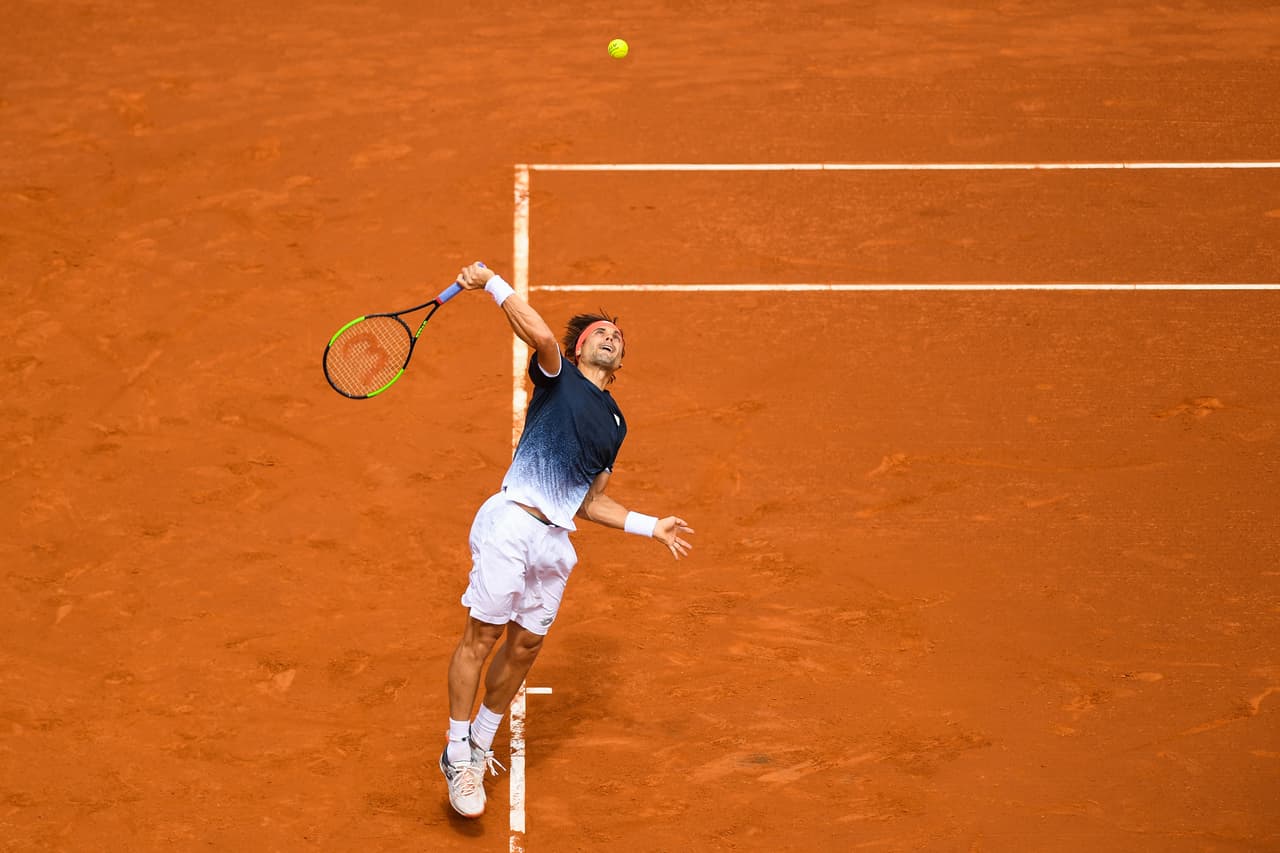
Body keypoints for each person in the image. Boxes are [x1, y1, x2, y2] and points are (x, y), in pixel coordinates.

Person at [439, 261, 694, 819]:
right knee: (482, 636)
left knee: (526, 646)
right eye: (600, 333)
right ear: (579, 350)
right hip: (511, 523)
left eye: (617, 338)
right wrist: (492, 284)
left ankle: (482, 744)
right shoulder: (558, 376)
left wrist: (651, 525)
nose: (610, 337)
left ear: (620, 362)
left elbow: (588, 499)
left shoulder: (616, 424)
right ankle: (457, 754)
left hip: (555, 541)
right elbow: (540, 334)